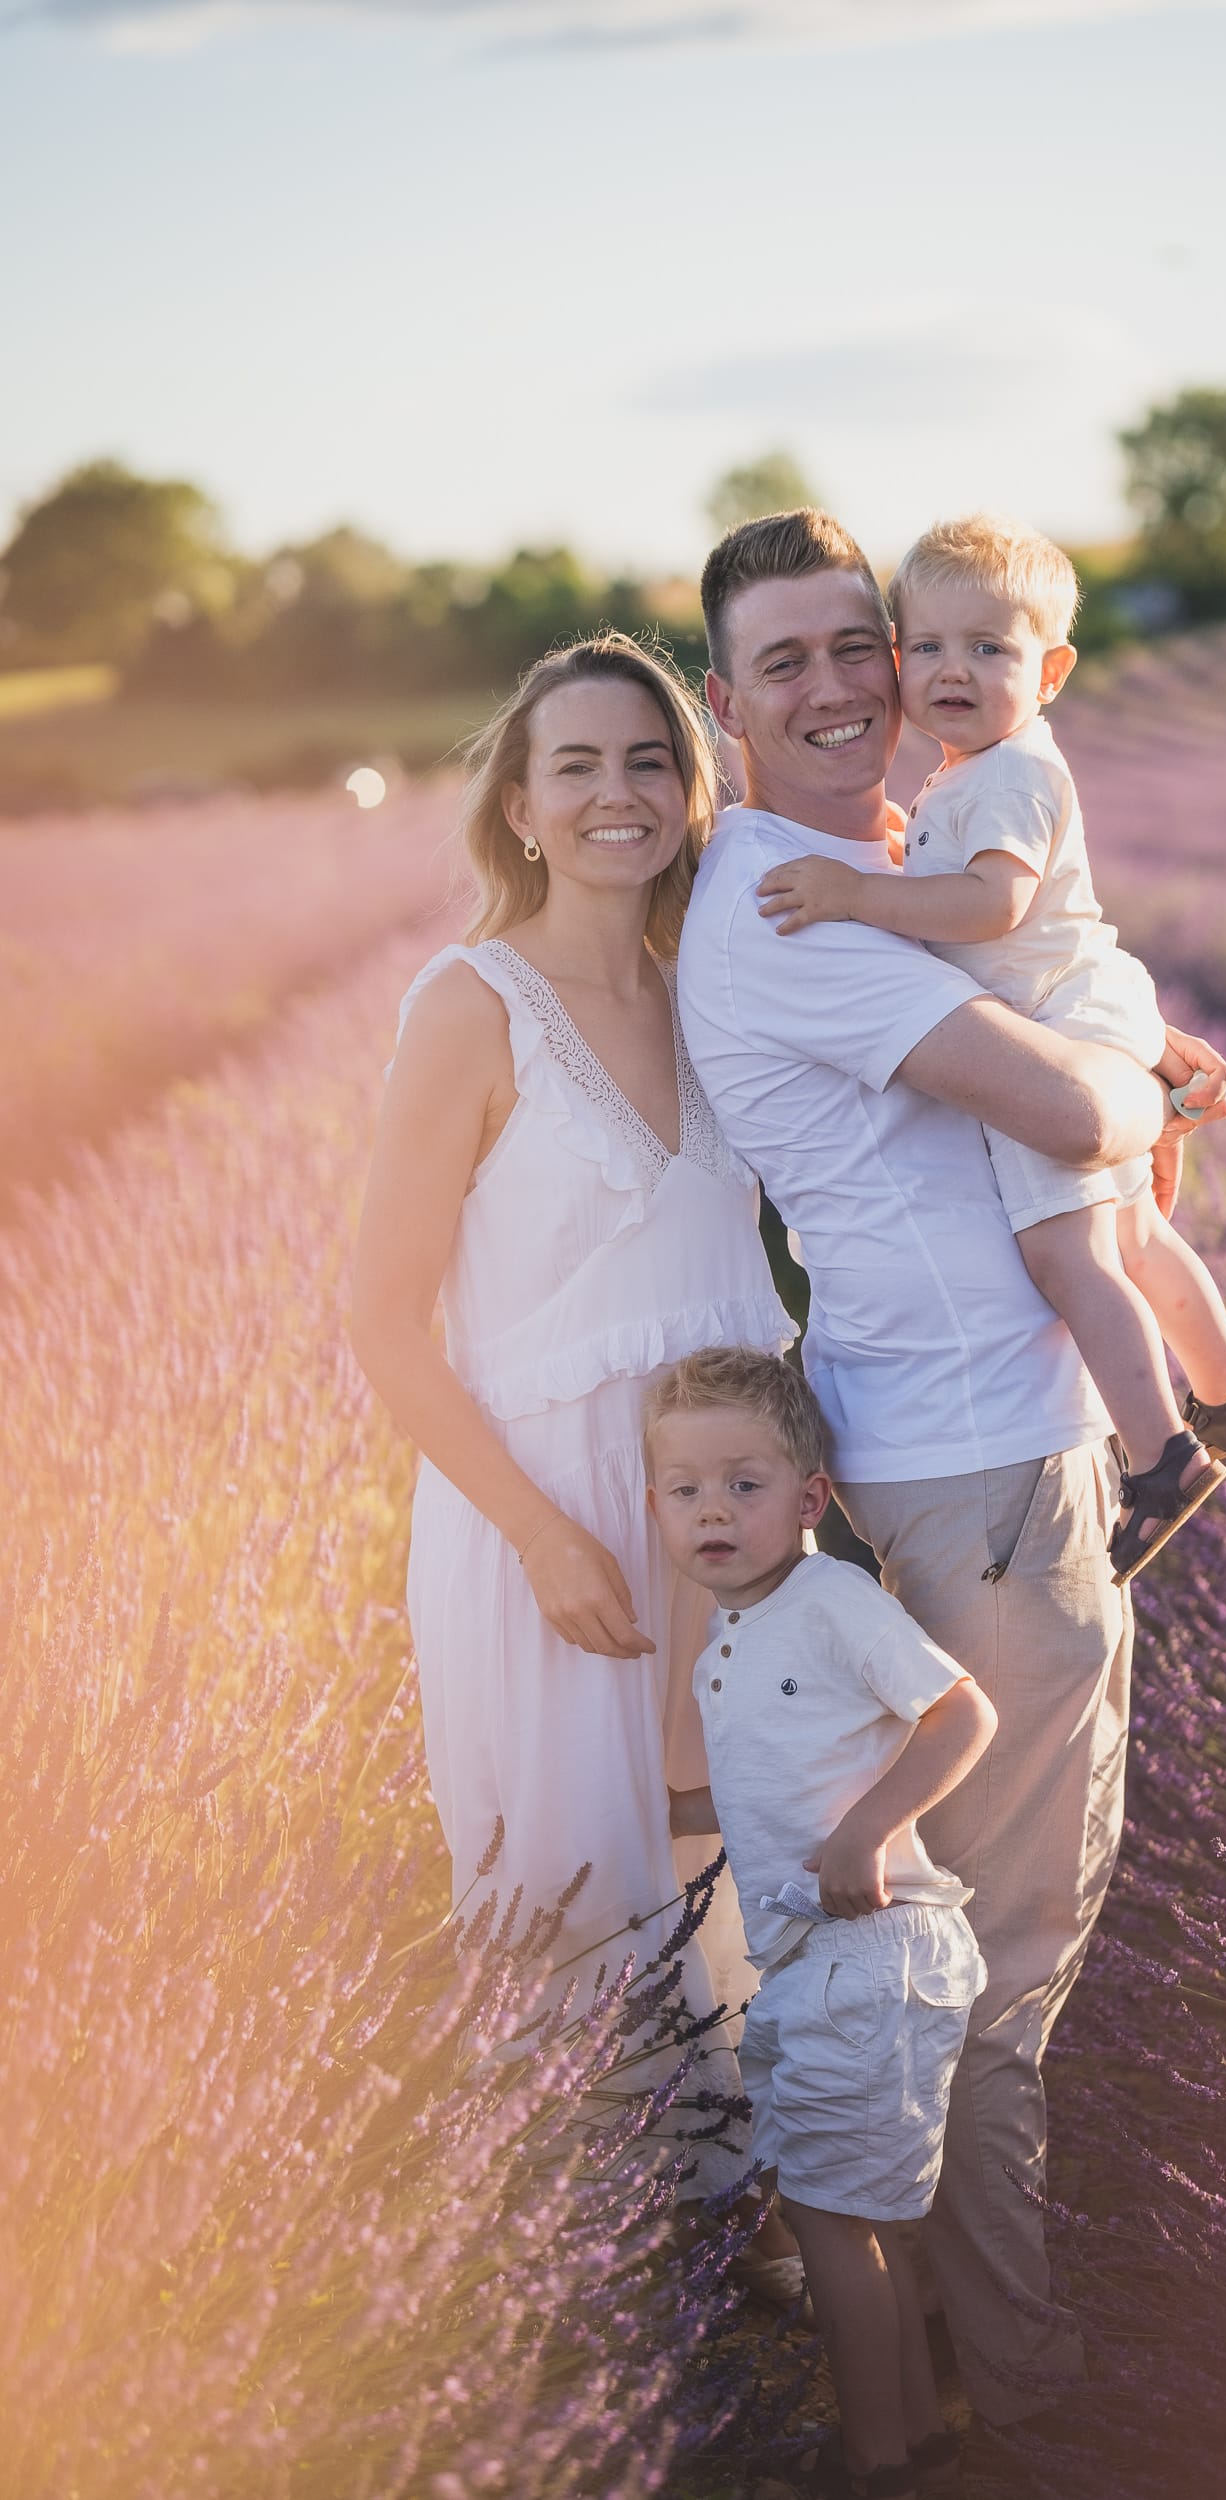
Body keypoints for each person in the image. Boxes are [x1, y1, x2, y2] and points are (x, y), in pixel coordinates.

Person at [674, 509, 1226, 2444]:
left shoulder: (863, 865)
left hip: (958, 1452)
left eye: (864, 648)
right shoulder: (785, 901)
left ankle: (944, 2349)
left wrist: (1123, 1049)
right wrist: (1128, 1072)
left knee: (965, 1931)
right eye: (792, 661)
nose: (844, 687)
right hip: (980, 1471)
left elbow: (1062, 1050)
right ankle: (1018, 2375)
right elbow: (1070, 1103)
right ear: (729, 700)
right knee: (998, 1954)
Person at [349, 634, 797, 2232]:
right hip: (548, 1525)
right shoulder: (471, 1004)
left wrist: (1140, 1078)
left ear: (694, 792)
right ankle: (573, 2290)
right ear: (522, 808)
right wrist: (544, 1536)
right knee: (570, 1918)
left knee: (721, 1886)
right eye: (578, 766)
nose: (619, 793)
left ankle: (728, 2263)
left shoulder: (714, 998)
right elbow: (382, 1327)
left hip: (726, 1529)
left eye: (649, 762)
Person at [757, 515, 1226, 1583]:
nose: (954, 671)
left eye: (990, 649)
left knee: (1067, 1255)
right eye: (930, 648)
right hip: (1083, 1010)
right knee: (1132, 1231)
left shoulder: (1001, 777)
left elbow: (994, 904)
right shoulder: (976, 774)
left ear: (1049, 671)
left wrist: (860, 891)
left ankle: (1160, 1458)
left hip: (1057, 1029)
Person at [645, 1347, 997, 2500]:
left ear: (807, 1500)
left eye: (743, 1484)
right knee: (845, 2216)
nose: (712, 1510)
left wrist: (864, 1834)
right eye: (684, 1488)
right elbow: (750, 1800)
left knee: (833, 2224)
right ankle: (908, 2446)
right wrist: (642, 1815)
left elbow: (960, 1715)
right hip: (808, 1964)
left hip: (872, 1949)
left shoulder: (830, 1599)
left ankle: (872, 2458)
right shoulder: (723, 1642)